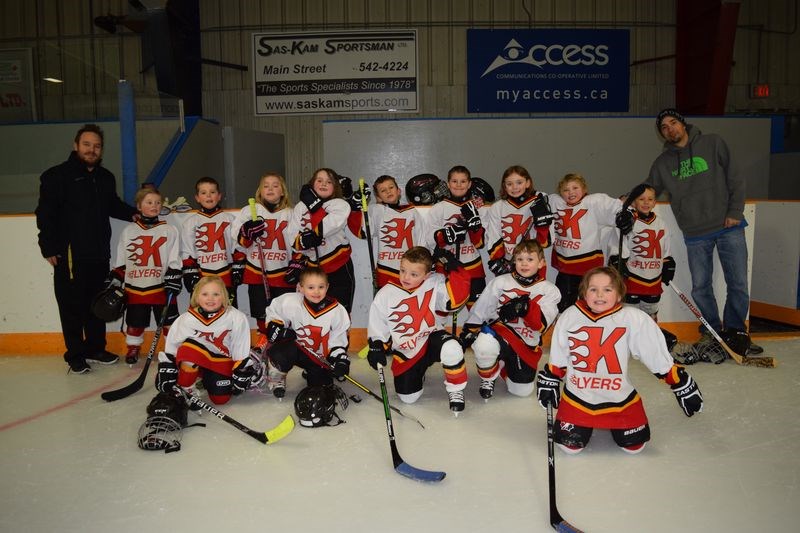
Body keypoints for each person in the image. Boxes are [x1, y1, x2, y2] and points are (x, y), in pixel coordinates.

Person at [536, 266, 704, 455]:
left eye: (608, 289)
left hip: (620, 401)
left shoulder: (633, 318)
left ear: (619, 294)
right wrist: (552, 377)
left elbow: (653, 354)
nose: (600, 294)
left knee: (634, 447)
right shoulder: (570, 316)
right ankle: (584, 422)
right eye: (593, 289)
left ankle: (614, 422)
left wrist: (678, 381)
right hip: (578, 399)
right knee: (569, 447)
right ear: (584, 292)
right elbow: (559, 356)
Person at [646, 108, 762, 357]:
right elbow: (649, 190)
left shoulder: (713, 143)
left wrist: (735, 211)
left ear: (683, 124)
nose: (669, 129)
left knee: (738, 283)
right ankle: (713, 331)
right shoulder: (662, 163)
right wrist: (628, 199)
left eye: (673, 123)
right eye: (664, 127)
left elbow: (735, 178)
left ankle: (736, 331)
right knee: (700, 286)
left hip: (728, 225)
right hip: (695, 232)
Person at [35, 124, 138, 374]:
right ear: (76, 145)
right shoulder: (56, 176)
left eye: (97, 146)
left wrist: (135, 214)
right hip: (70, 254)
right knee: (71, 306)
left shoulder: (104, 178)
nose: (92, 150)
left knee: (97, 304)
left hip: (99, 252)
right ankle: (75, 354)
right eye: (87, 144)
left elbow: (112, 205)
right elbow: (45, 214)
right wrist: (47, 246)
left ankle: (95, 348)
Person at [366, 246, 470, 415]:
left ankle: (456, 390)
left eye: (414, 274)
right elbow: (378, 325)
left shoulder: (434, 282)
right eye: (403, 270)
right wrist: (376, 345)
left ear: (427, 275)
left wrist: (453, 267)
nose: (406, 277)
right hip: (406, 350)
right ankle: (418, 372)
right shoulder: (386, 293)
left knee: (452, 347)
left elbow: (455, 301)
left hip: (431, 338)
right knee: (408, 398)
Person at [461, 240, 560, 400]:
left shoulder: (550, 290)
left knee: (521, 391)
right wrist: (469, 331)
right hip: (499, 333)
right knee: (484, 344)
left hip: (525, 343)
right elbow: (482, 308)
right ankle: (488, 377)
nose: (524, 264)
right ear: (514, 261)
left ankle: (501, 366)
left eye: (530, 259)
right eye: (520, 259)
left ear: (541, 263)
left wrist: (525, 308)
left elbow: (540, 326)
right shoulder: (501, 282)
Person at [154, 275, 261, 404]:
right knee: (189, 349)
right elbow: (173, 347)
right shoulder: (186, 319)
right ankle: (187, 388)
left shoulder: (236, 317)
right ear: (197, 297)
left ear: (224, 296)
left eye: (216, 294)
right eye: (205, 294)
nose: (210, 298)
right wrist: (166, 368)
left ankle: (205, 379)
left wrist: (241, 370)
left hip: (220, 361)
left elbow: (239, 346)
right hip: (195, 359)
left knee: (220, 400)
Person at [107, 187, 182, 364]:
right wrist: (117, 276)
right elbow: (122, 258)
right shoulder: (129, 231)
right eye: (149, 202)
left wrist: (174, 274)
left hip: (162, 286)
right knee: (135, 322)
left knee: (169, 323)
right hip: (135, 287)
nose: (154, 206)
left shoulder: (169, 230)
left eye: (157, 202)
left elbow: (174, 256)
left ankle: (173, 350)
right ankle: (133, 348)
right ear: (139, 206)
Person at [262, 267, 351, 400]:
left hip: (319, 358)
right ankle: (277, 375)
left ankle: (311, 371)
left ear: (327, 287)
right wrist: (278, 329)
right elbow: (274, 314)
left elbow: (338, 340)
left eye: (321, 287)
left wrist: (340, 360)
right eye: (311, 287)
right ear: (301, 288)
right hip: (298, 350)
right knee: (280, 351)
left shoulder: (337, 310)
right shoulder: (291, 302)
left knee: (321, 389)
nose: (316, 291)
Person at [609, 184, 678, 350]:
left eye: (650, 199)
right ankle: (627, 343)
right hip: (633, 276)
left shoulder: (661, 223)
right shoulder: (627, 221)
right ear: (633, 202)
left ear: (655, 202)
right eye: (641, 199)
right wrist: (618, 260)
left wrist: (668, 263)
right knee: (629, 311)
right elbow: (618, 243)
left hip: (653, 276)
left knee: (650, 311)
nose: (646, 202)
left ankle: (649, 342)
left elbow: (664, 247)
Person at [548, 173, 630, 313]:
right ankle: (564, 327)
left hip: (588, 267)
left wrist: (626, 215)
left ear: (584, 189)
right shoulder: (555, 202)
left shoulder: (593, 202)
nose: (571, 192)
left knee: (590, 302)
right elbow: (538, 199)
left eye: (575, 188)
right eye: (565, 190)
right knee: (563, 303)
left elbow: (615, 207)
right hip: (565, 268)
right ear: (560, 192)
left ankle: (592, 329)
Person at [230, 172, 297, 338]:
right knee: (261, 311)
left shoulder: (291, 213)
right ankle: (263, 340)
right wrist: (247, 233)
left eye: (275, 185)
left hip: (283, 271)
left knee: (284, 311)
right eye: (265, 186)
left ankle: (281, 343)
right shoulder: (249, 211)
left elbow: (298, 244)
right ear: (259, 191)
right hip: (257, 271)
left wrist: (297, 264)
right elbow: (239, 242)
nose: (270, 189)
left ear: (283, 192)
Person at [289, 168, 356, 312]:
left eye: (329, 181)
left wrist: (312, 204)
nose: (323, 184)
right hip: (312, 268)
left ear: (335, 186)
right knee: (313, 312)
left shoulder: (340, 204)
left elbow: (328, 226)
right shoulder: (301, 206)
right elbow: (292, 235)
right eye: (319, 180)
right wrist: (301, 242)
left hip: (339, 266)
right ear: (312, 183)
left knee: (340, 311)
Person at [348, 174, 432, 288]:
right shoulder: (377, 210)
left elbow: (421, 239)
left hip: (411, 269)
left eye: (391, 188)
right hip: (386, 270)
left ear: (399, 191)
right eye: (383, 190)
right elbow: (363, 232)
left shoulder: (412, 211)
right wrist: (355, 207)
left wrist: (425, 263)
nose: (388, 192)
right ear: (378, 197)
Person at [426, 165, 487, 307]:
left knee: (478, 311)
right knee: (440, 308)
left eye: (463, 181)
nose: (459, 185)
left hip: (473, 267)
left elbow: (481, 243)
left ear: (470, 184)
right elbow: (429, 241)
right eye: (454, 181)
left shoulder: (479, 208)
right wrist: (447, 235)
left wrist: (474, 226)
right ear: (448, 184)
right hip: (446, 266)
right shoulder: (438, 209)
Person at [485, 165, 554, 278]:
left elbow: (544, 242)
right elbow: (494, 236)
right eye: (509, 184)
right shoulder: (497, 207)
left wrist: (543, 225)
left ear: (528, 183)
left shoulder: (537, 202)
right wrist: (497, 259)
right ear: (504, 186)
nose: (514, 187)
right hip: (508, 262)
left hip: (533, 262)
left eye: (519, 182)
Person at [179, 177, 239, 304]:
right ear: (197, 198)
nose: (208, 196)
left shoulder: (230, 219)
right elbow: (187, 252)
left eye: (212, 192)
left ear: (219, 196)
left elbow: (237, 248)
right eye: (204, 193)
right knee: (200, 318)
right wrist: (190, 273)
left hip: (225, 276)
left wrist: (238, 268)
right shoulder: (190, 223)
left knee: (229, 315)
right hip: (202, 277)